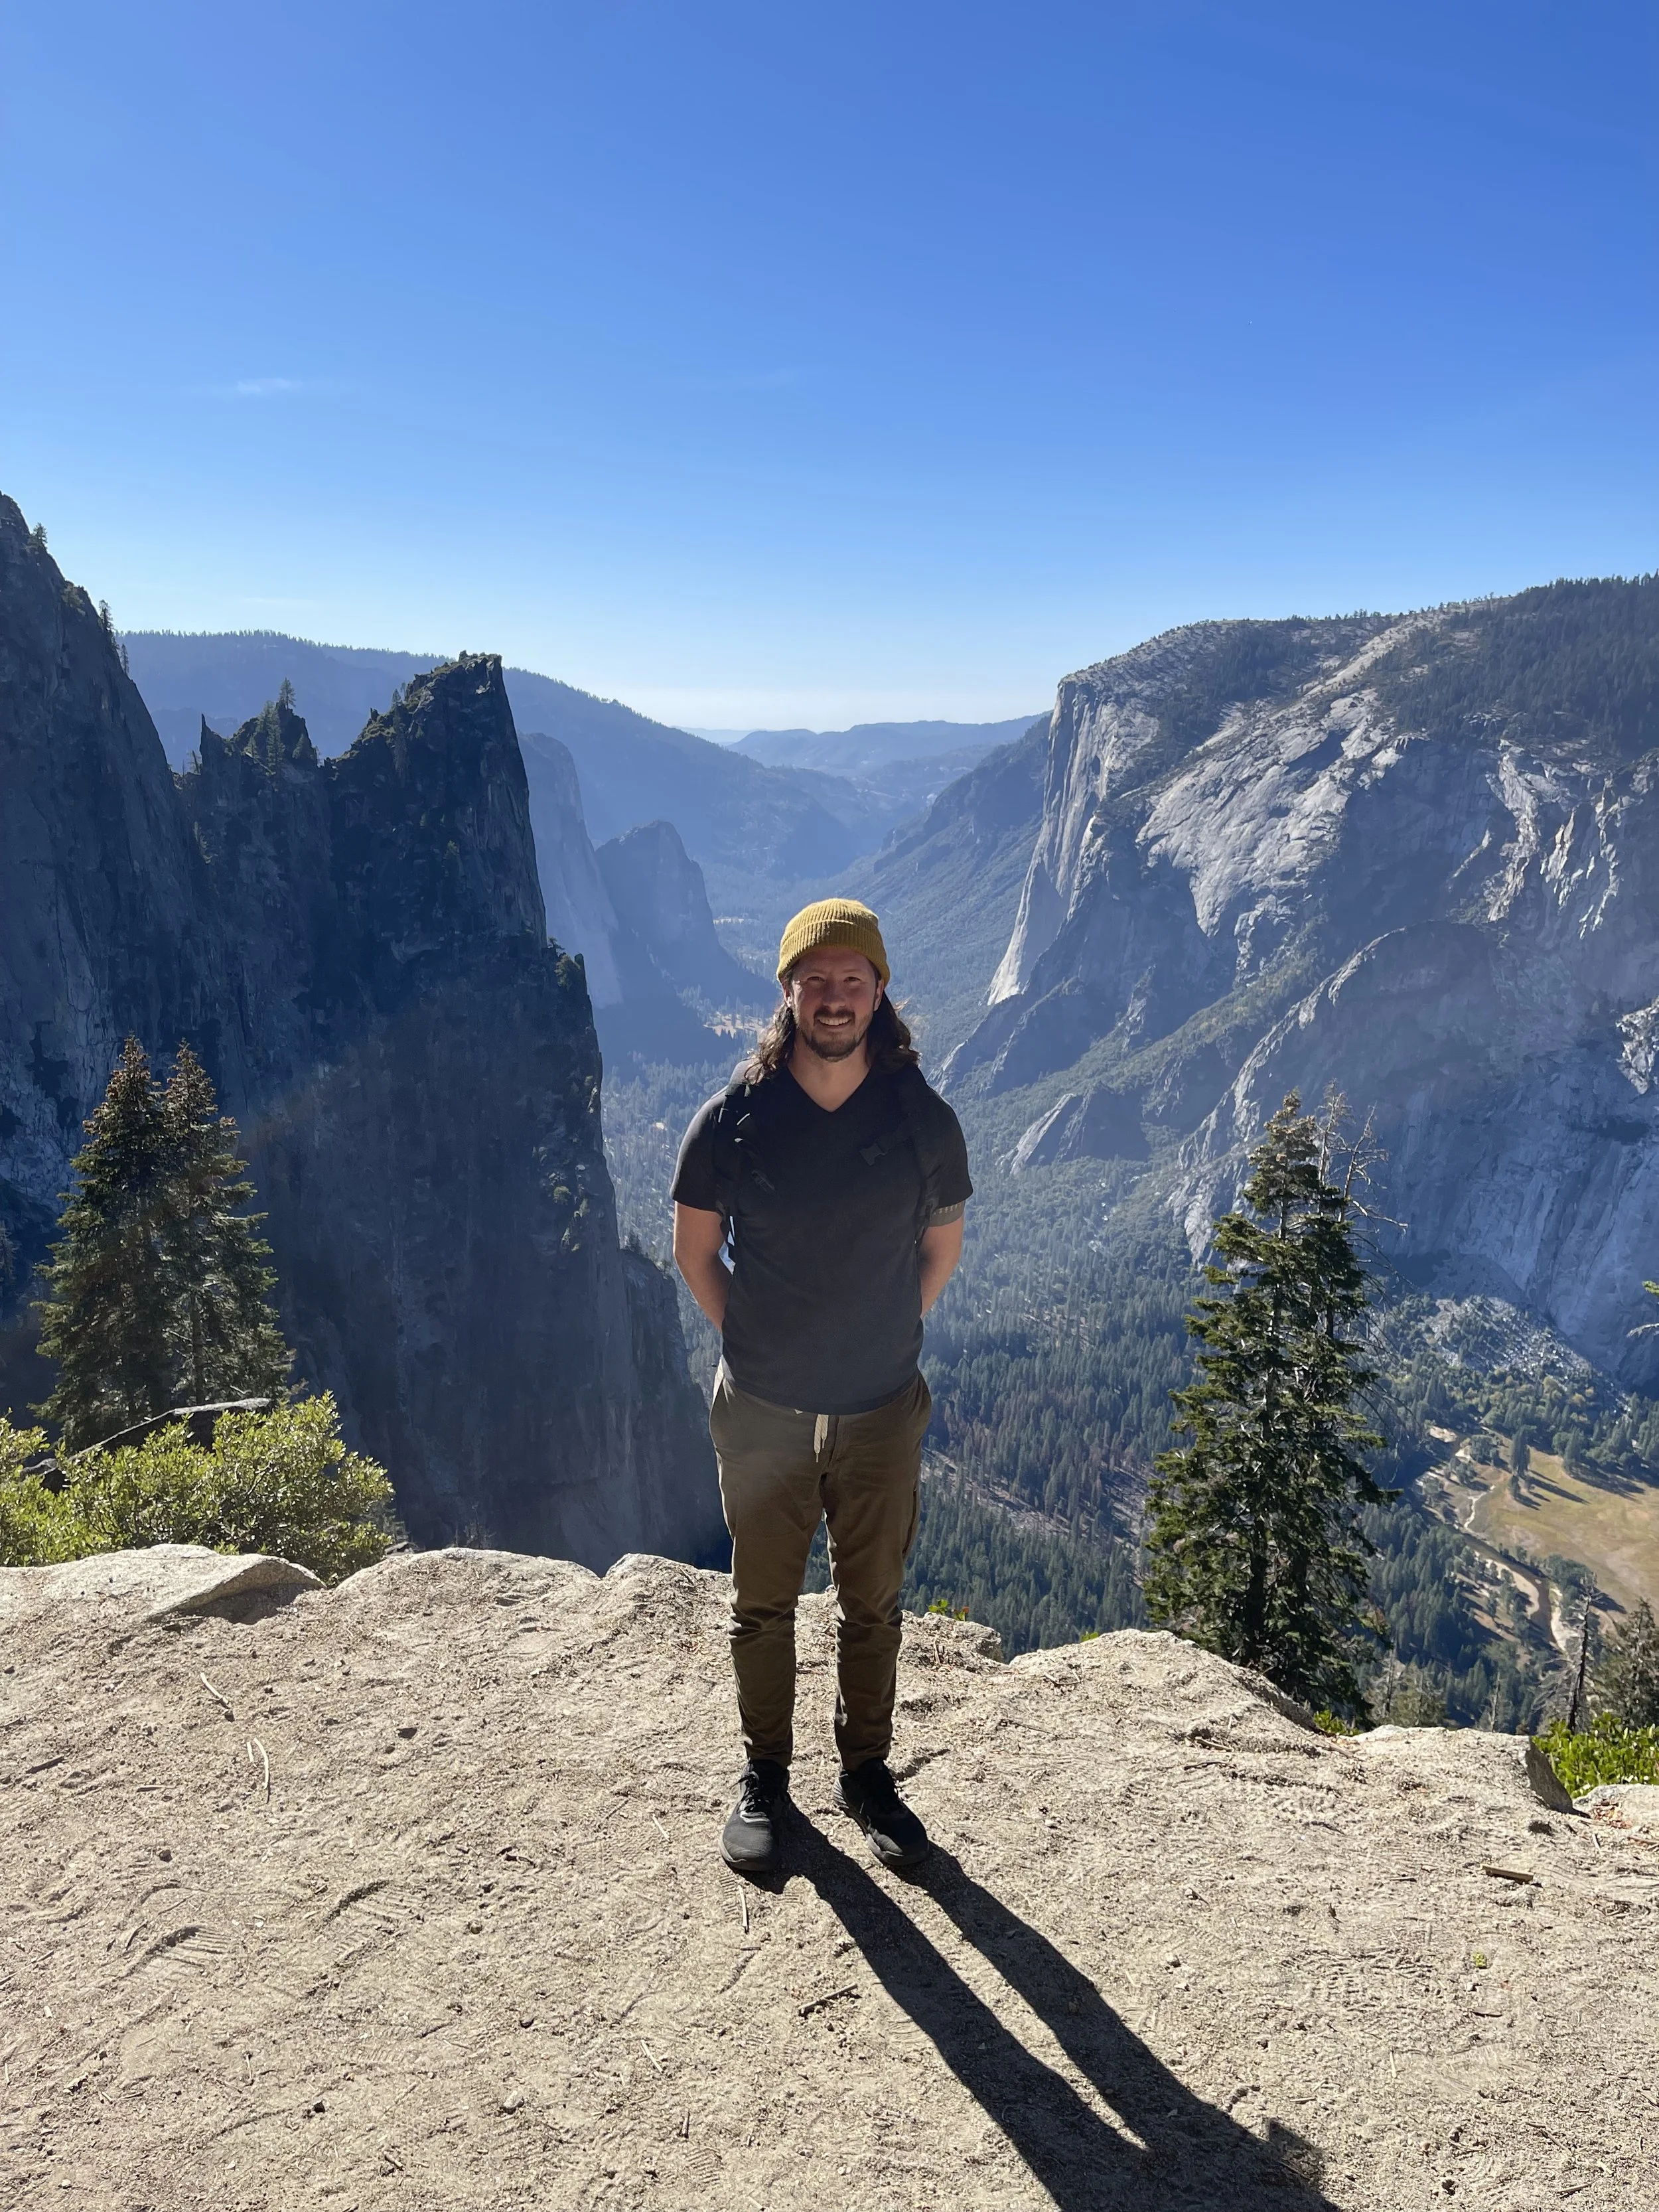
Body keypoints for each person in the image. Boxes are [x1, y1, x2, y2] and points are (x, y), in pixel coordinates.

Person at [672, 897, 972, 1877]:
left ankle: (868, 1774)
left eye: (853, 980)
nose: (834, 998)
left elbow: (940, 1250)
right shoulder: (734, 1120)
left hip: (881, 1408)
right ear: (788, 993)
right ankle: (765, 1774)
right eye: (816, 979)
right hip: (761, 1409)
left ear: (881, 992)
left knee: (872, 1606)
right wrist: (761, 1346)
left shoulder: (923, 1120)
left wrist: (876, 1339)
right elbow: (695, 1252)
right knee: (761, 1604)